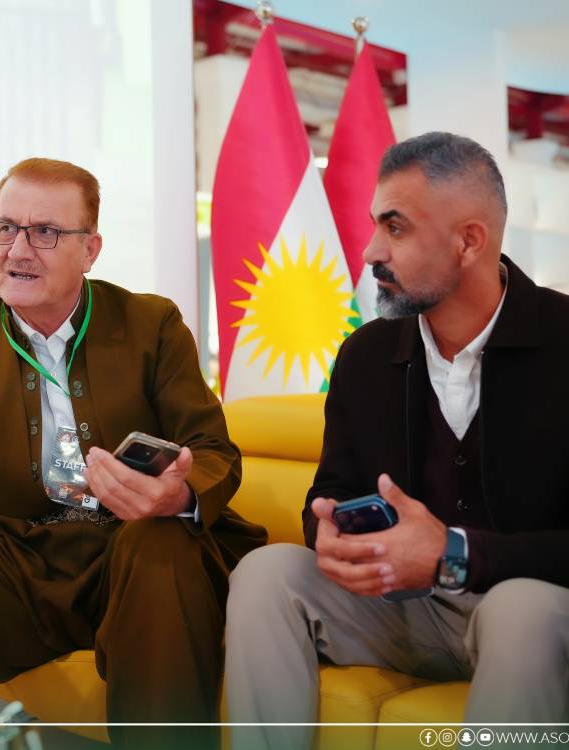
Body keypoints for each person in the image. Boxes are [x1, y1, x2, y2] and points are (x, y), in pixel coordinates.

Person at [0, 157, 266, 750]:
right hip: (27, 559)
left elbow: (212, 450)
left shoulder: (150, 323)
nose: (18, 250)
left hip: (134, 553)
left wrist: (174, 493)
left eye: (44, 232)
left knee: (160, 542)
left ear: (90, 250)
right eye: (6, 228)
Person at [224, 132, 569, 749]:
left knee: (522, 610)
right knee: (268, 572)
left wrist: (455, 553)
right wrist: (329, 537)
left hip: (535, 617)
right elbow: (331, 491)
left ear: (469, 241)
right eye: (375, 225)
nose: (370, 251)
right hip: (406, 609)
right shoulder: (365, 355)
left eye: (396, 227)